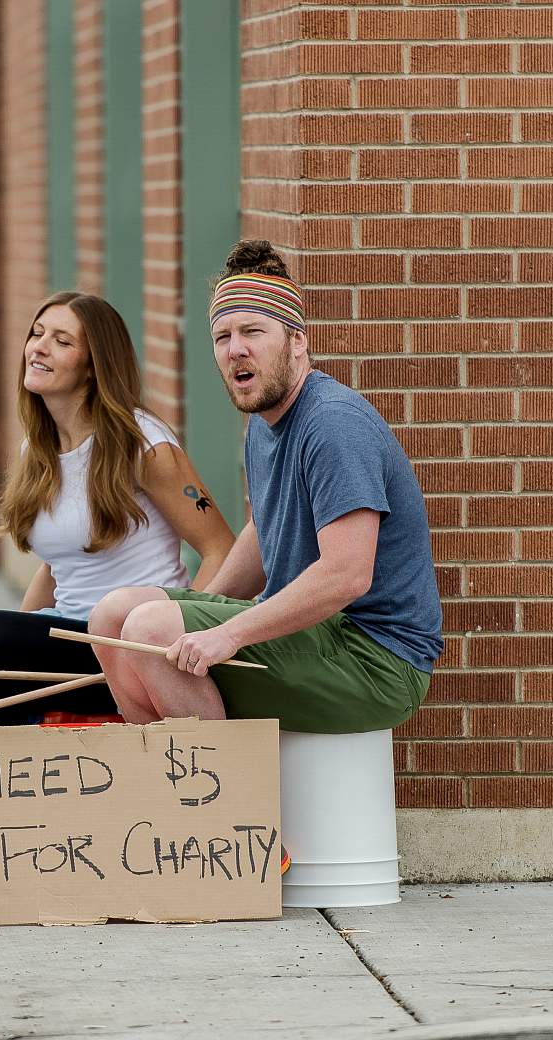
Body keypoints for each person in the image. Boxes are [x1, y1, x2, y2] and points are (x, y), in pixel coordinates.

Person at [89, 240, 442, 732]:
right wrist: (195, 612)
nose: (236, 349)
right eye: (222, 336)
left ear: (297, 340)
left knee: (148, 628)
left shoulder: (333, 425)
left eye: (253, 331)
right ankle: (163, 779)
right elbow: (264, 531)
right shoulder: (264, 423)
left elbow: (347, 576)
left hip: (374, 659)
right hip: (314, 638)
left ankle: (221, 797)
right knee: (114, 617)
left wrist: (226, 634)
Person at [0, 291, 236, 762]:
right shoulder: (37, 451)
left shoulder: (143, 446)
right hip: (62, 639)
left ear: (93, 365)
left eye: (61, 341)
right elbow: (55, 569)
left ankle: (9, 786)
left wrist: (183, 644)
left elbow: (220, 547)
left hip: (116, 649)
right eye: (37, 334)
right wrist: (10, 630)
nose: (38, 347)